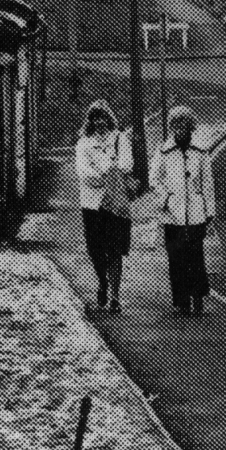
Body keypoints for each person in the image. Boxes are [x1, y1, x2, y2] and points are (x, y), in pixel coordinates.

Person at [151, 105, 217, 316]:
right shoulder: (163, 151)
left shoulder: (200, 151)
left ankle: (197, 298)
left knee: (196, 257)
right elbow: (153, 179)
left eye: (185, 124)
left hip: (196, 213)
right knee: (176, 258)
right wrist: (167, 197)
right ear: (172, 127)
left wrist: (210, 213)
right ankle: (181, 302)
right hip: (172, 215)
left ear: (191, 126)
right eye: (176, 124)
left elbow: (208, 183)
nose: (181, 128)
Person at [74, 99, 135, 314]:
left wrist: (104, 170)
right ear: (90, 122)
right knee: (95, 250)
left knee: (115, 250)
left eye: (103, 117)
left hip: (116, 204)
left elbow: (127, 164)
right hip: (91, 205)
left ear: (109, 118)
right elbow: (84, 174)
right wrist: (110, 171)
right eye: (95, 118)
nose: (99, 122)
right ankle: (102, 282)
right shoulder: (83, 144)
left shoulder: (120, 139)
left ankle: (116, 296)